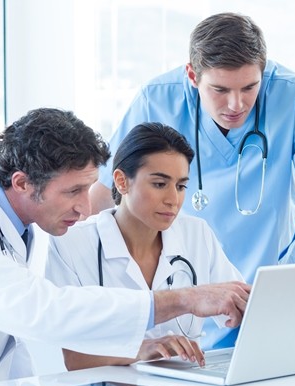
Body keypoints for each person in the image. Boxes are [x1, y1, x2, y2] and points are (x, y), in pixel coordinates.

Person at [0, 108, 250, 386]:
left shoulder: (25, 225)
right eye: (73, 192)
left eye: (87, 188)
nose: (85, 206)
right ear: (23, 182)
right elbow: (39, 309)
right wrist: (183, 299)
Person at [88, 12, 295, 347]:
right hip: (195, 287)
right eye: (219, 89)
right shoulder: (156, 99)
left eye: (249, 87)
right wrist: (99, 303)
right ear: (192, 74)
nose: (236, 104)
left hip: (280, 286)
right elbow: (104, 196)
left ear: (264, 70)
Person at [45, 122, 249, 371]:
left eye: (181, 186)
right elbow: (71, 358)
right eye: (160, 184)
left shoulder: (196, 234)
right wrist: (142, 349)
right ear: (121, 181)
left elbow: (244, 308)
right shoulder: (69, 244)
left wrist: (248, 310)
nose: (173, 200)